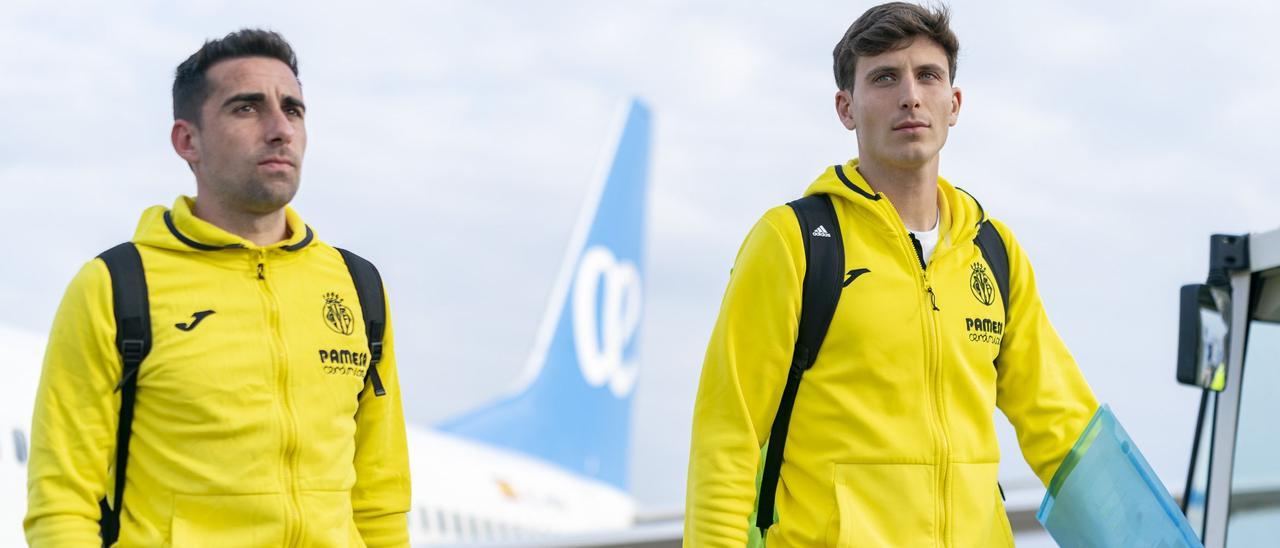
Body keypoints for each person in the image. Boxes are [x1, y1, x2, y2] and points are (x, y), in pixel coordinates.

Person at [684, 3, 1098, 546]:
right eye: (884, 77)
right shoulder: (793, 242)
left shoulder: (993, 253)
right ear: (846, 107)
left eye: (928, 75)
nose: (911, 95)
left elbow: (1065, 431)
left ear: (954, 103)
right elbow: (727, 438)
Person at [24, 29, 411, 546]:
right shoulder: (115, 288)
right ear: (188, 141)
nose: (280, 129)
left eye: (293, 110)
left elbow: (380, 502)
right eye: (247, 108)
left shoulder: (359, 288)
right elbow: (61, 504)